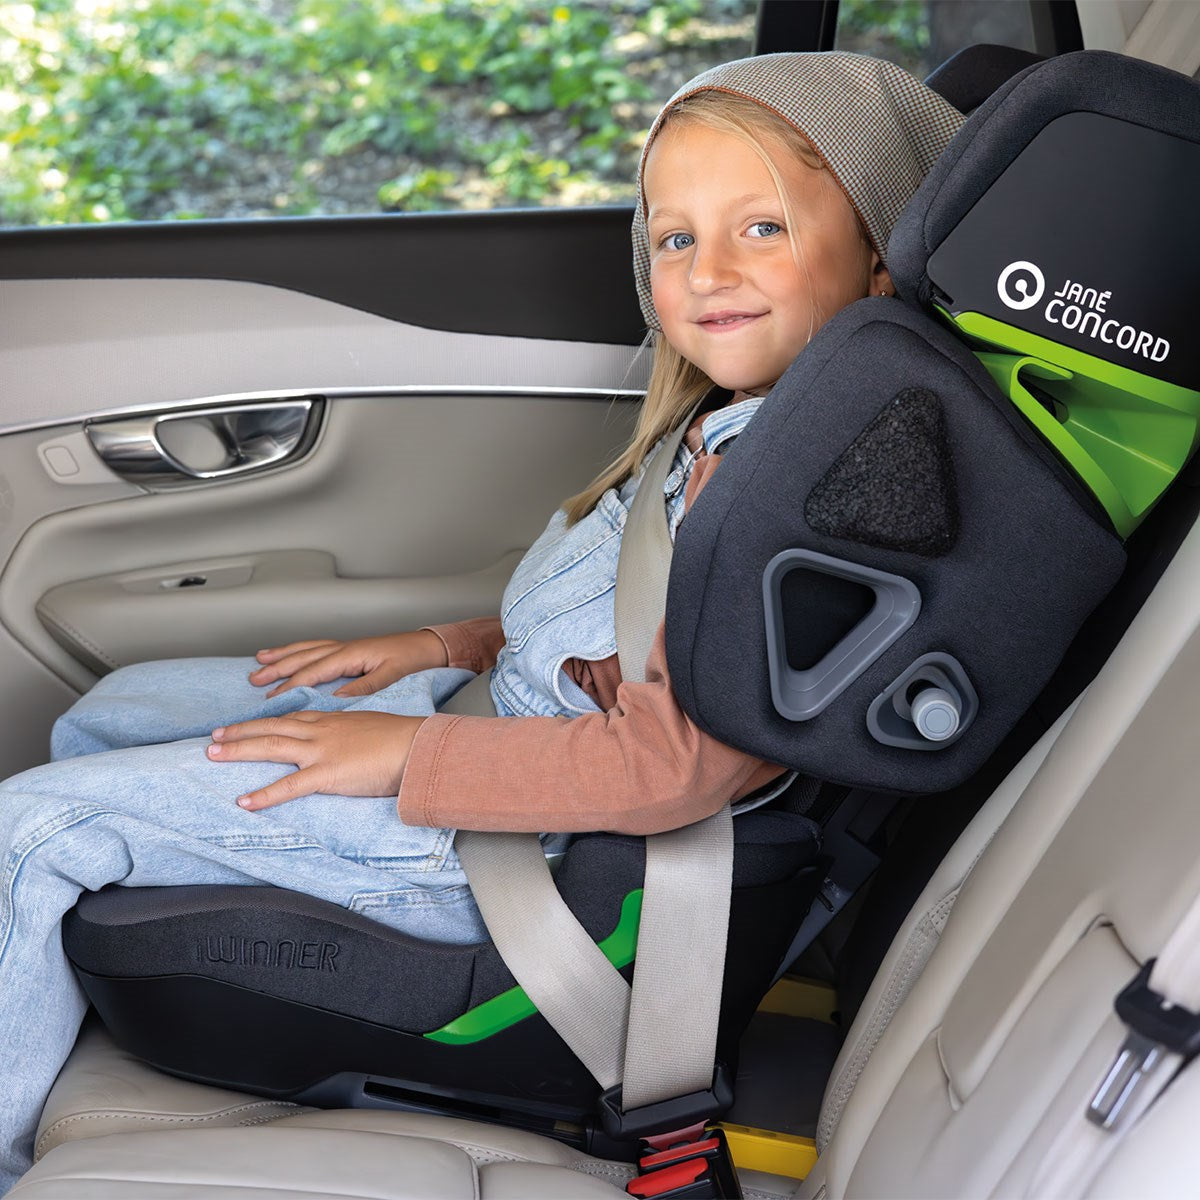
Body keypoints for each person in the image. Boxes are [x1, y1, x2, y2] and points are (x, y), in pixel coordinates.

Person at [0, 52, 963, 1192]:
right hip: (497, 730)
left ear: (880, 254)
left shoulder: (812, 491)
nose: (708, 271)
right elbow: (606, 617)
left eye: (762, 228)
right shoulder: (731, 427)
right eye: (673, 238)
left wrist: (406, 753)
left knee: (30, 834)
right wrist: (443, 648)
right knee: (112, 712)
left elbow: (677, 770)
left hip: (517, 852)